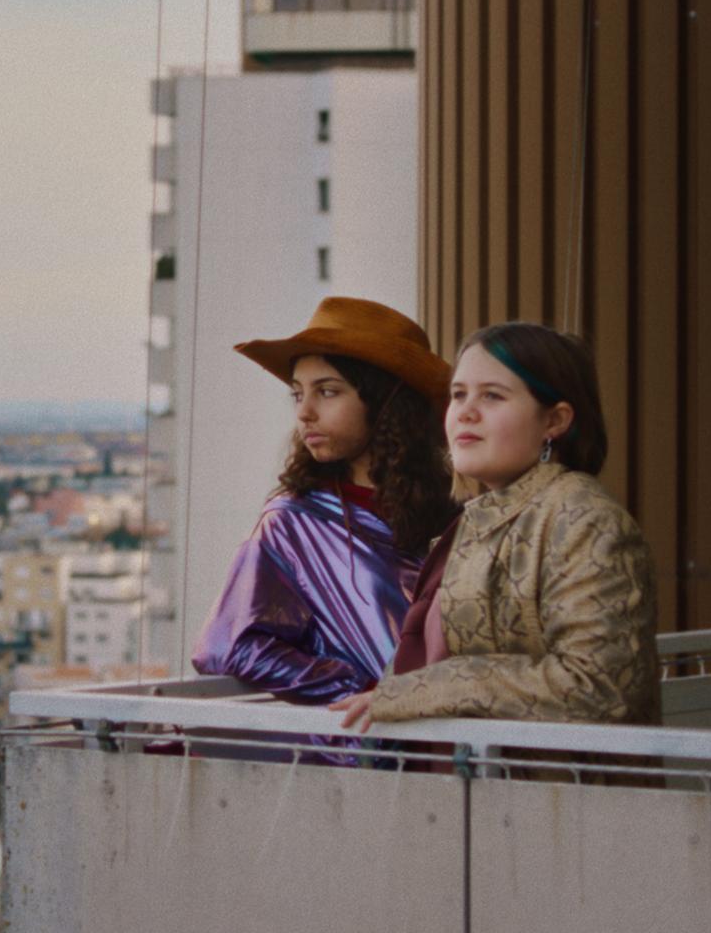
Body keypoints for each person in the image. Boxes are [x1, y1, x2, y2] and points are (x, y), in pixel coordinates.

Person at [331, 321, 660, 729]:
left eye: (492, 395)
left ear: (554, 421)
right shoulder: (477, 517)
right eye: (458, 395)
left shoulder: (584, 520)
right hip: (467, 784)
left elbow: (598, 687)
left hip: (557, 789)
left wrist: (438, 687)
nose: (466, 411)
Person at [192, 297, 460, 704]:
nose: (305, 413)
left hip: (457, 746)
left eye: (328, 391)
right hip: (360, 751)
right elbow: (231, 645)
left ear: (387, 402)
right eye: (298, 394)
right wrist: (363, 691)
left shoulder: (457, 515)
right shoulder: (291, 522)